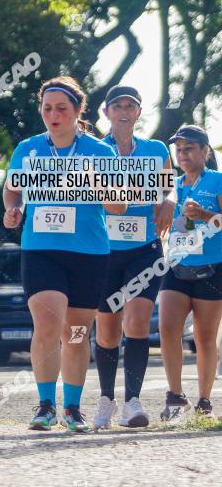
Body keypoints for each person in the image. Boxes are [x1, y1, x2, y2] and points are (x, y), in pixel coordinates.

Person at [2, 76, 124, 433]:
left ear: (77, 112)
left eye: (61, 108)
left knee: (75, 332)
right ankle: (45, 405)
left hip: (88, 252)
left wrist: (96, 184)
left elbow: (118, 206)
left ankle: (72, 408)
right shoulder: (28, 149)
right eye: (47, 108)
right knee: (47, 323)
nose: (53, 115)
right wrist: (13, 210)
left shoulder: (101, 152)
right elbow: (12, 192)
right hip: (41, 248)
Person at [92, 85, 175, 429]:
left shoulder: (155, 150)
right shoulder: (93, 151)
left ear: (138, 113)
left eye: (131, 106)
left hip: (145, 248)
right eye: (118, 106)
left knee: (137, 321)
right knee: (108, 331)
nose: (124, 112)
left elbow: (167, 184)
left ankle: (133, 402)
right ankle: (106, 400)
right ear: (107, 112)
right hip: (103, 250)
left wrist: (169, 199)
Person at [159, 125, 222, 422]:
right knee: (168, 328)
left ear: (204, 151)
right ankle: (175, 396)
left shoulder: (218, 181)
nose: (183, 155)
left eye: (189, 149)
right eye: (179, 150)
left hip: (212, 268)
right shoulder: (172, 186)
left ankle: (205, 401)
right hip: (176, 266)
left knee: (205, 337)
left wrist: (207, 217)